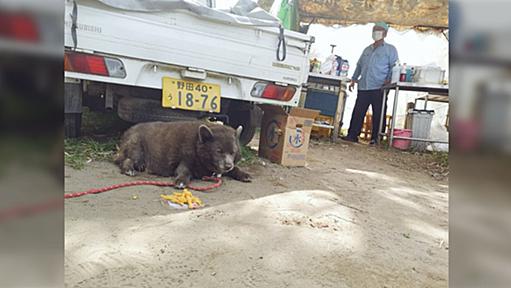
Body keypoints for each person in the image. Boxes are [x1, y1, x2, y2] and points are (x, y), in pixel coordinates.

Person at [341, 21, 398, 144]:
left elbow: (394, 66)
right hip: (364, 86)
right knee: (358, 111)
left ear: (385, 33)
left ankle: (376, 138)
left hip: (380, 86)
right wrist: (354, 79)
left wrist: (389, 80)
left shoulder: (390, 49)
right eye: (374, 30)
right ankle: (352, 135)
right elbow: (359, 65)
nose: (376, 32)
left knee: (378, 112)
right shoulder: (367, 49)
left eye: (379, 30)